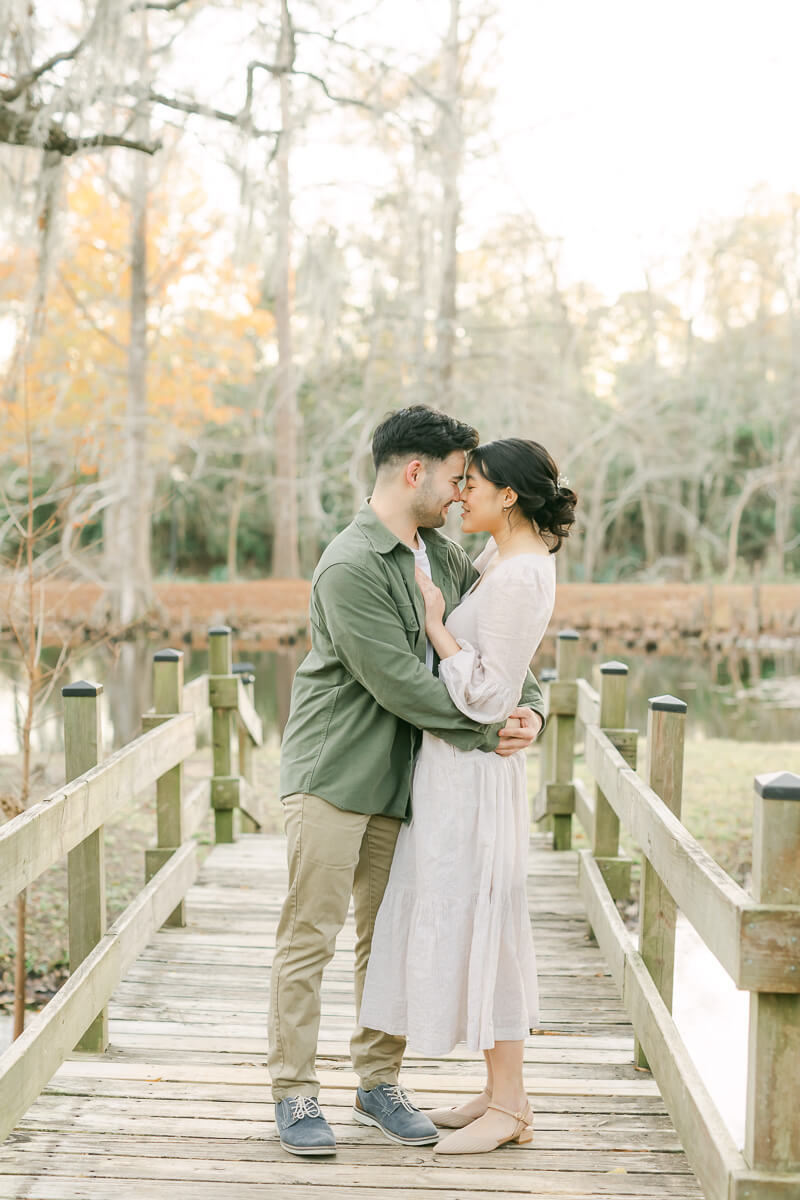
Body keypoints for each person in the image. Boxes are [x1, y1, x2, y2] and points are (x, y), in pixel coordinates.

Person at [269, 407, 546, 1156]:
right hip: (334, 775)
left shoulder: (445, 558)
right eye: (457, 477)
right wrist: (490, 733)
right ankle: (294, 1093)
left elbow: (498, 651)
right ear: (414, 472)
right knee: (310, 936)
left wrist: (534, 713)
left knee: (382, 936)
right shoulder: (350, 565)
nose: (463, 493)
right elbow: (396, 681)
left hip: (408, 781)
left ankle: (376, 1084)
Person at [359, 438, 577, 1155]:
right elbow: (508, 679)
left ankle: (511, 1106)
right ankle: (495, 1091)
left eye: (474, 484)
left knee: (490, 923)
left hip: (476, 775)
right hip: (452, 773)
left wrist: (432, 627)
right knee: (478, 920)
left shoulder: (521, 577)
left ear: (508, 496)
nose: (462, 496)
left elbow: (486, 693)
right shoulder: (498, 563)